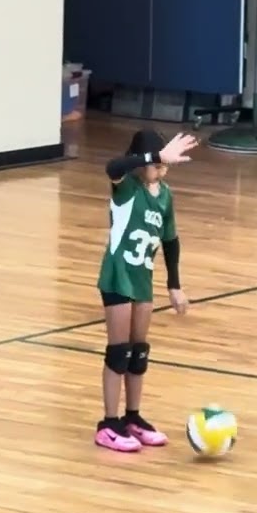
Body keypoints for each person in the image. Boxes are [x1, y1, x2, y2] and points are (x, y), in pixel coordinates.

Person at [94, 129, 197, 452]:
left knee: (138, 354)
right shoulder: (126, 187)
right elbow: (113, 166)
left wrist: (175, 285)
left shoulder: (165, 195)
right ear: (143, 161)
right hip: (118, 276)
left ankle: (133, 417)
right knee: (119, 352)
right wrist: (154, 156)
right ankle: (109, 423)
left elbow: (171, 241)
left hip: (142, 280)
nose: (162, 169)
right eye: (157, 163)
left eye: (166, 164)